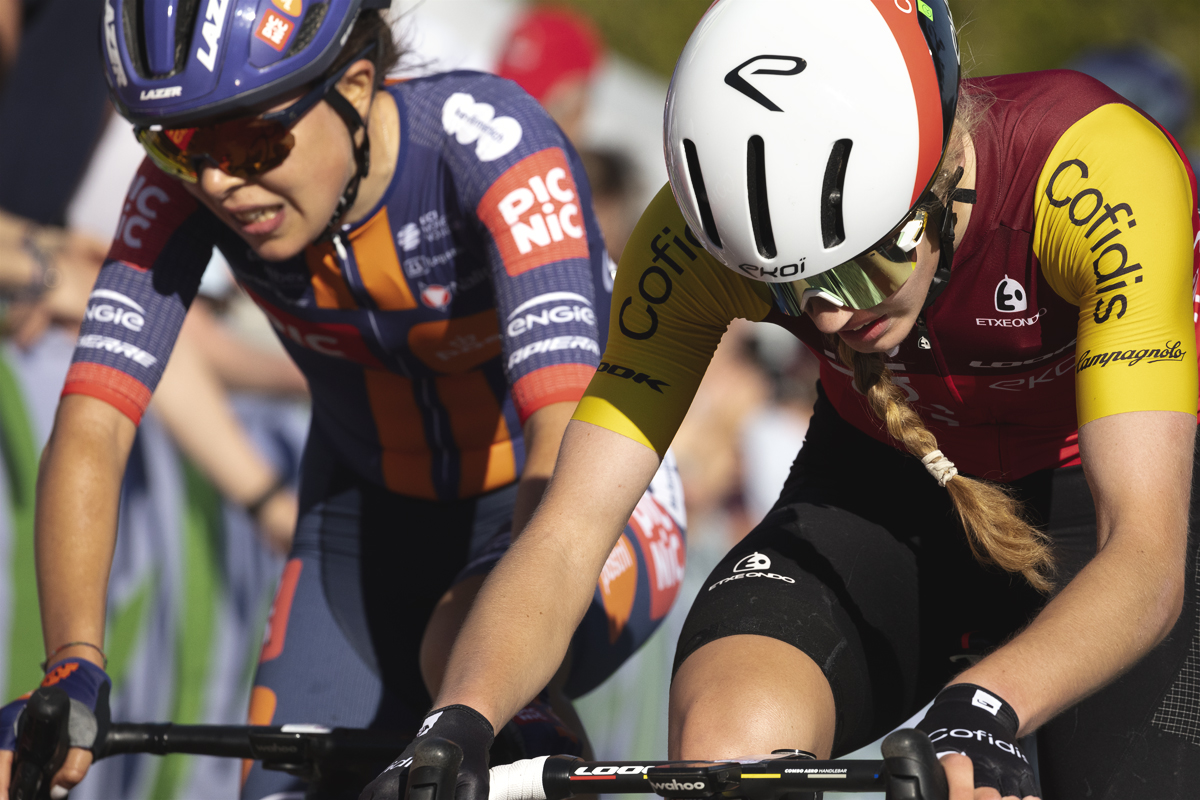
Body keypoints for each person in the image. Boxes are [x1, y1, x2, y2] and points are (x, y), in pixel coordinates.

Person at [362, 1, 1200, 799]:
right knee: (733, 740)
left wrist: (985, 705)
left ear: (939, 173)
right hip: (885, 489)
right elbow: (571, 527)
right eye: (790, 285)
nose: (829, 314)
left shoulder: (1100, 180)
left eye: (852, 264)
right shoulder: (691, 248)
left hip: (1103, 512)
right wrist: (457, 721)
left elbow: (1145, 551)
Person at [0, 1, 689, 798]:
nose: (221, 181)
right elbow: (95, 420)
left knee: (462, 669)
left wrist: (480, 704)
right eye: (179, 142)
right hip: (363, 514)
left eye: (254, 140)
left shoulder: (493, 147)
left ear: (356, 86)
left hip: (569, 496)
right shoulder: (187, 190)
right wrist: (71, 665)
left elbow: (562, 435)